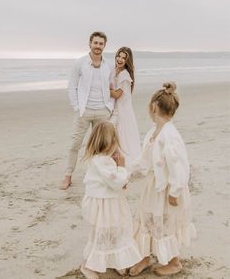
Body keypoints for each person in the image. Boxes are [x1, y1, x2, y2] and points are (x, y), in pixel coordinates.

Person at [129, 82, 196, 276]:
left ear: (153, 107)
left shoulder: (170, 135)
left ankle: (175, 262)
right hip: (153, 186)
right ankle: (144, 256)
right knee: (144, 217)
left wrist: (175, 192)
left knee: (165, 223)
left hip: (167, 189)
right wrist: (127, 171)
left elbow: (179, 167)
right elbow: (144, 160)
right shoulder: (153, 132)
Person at [80, 121, 142, 279]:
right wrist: (121, 167)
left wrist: (119, 165)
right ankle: (87, 266)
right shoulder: (101, 161)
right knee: (102, 234)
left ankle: (115, 260)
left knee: (115, 231)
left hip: (110, 202)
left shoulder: (103, 158)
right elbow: (116, 181)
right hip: (104, 205)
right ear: (109, 142)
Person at [60, 31, 114, 190]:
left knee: (102, 146)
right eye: (95, 43)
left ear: (104, 46)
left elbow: (112, 88)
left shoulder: (108, 65)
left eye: (101, 44)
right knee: (75, 144)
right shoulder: (79, 63)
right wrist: (77, 107)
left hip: (102, 111)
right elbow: (72, 86)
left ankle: (101, 175)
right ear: (90, 44)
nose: (98, 46)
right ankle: (68, 176)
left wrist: (109, 106)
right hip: (84, 112)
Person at [109, 47, 141, 172]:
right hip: (117, 109)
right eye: (119, 56)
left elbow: (117, 94)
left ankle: (121, 161)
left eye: (124, 58)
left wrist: (105, 89)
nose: (120, 59)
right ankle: (116, 159)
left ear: (128, 61)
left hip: (123, 111)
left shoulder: (125, 75)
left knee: (123, 136)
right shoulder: (116, 71)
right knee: (119, 135)